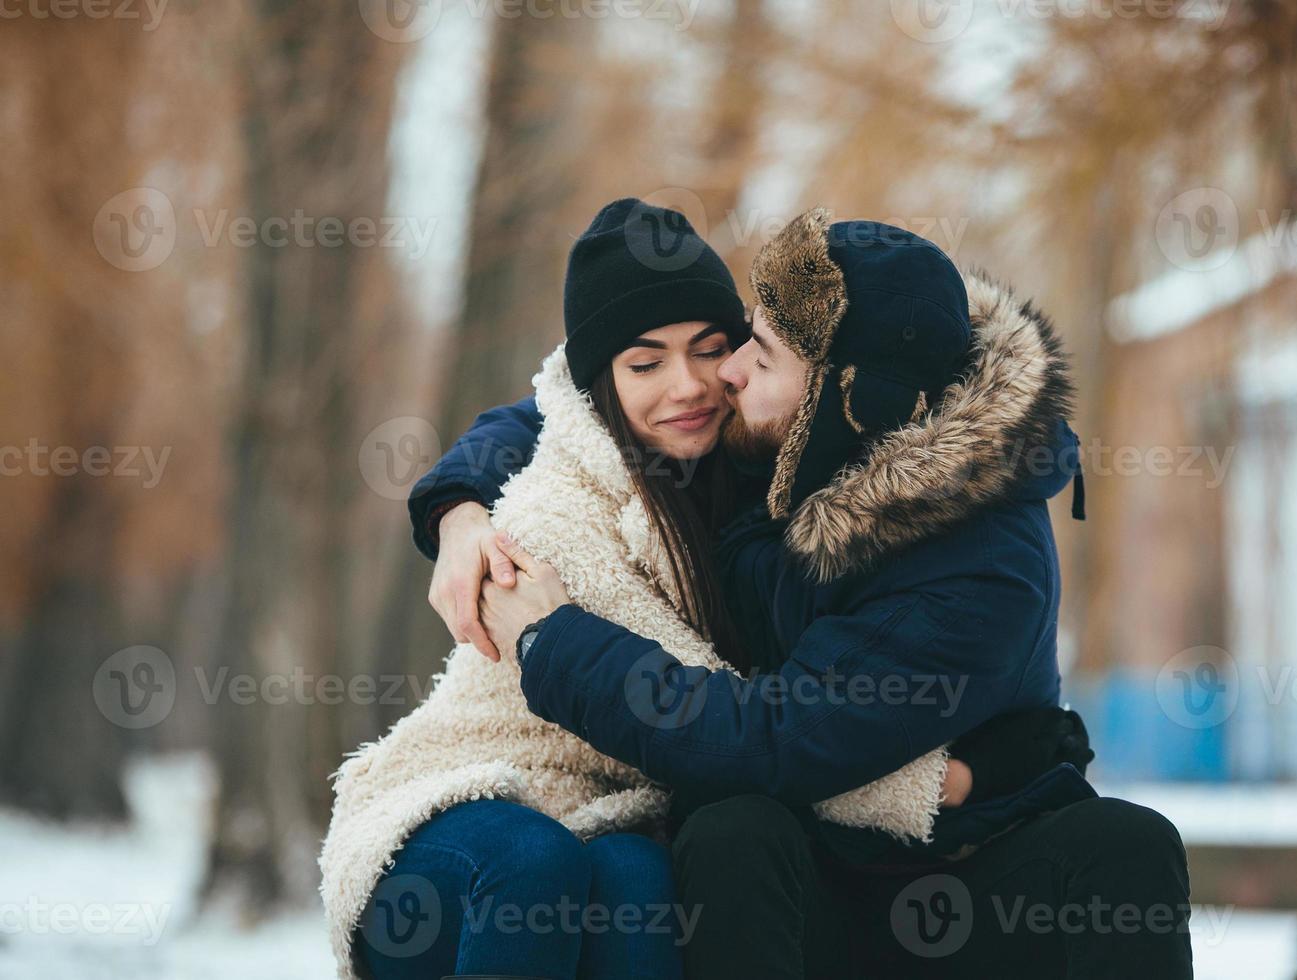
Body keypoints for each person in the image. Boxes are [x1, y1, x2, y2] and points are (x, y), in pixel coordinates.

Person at [437, 208, 1193, 978]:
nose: (722, 374)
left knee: (1127, 845)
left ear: (847, 402)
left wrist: (554, 640)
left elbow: (774, 741)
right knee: (733, 830)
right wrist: (456, 507)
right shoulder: (785, 439)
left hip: (962, 878)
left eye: (756, 358)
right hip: (804, 871)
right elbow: (571, 409)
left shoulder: (985, 568)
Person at [320, 199, 958, 980]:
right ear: (600, 384)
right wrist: (934, 784)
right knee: (535, 863)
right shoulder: (551, 518)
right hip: (461, 808)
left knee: (639, 878)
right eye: (645, 363)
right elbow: (713, 708)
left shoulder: (757, 481)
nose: (686, 386)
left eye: (708, 349)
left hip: (609, 811)